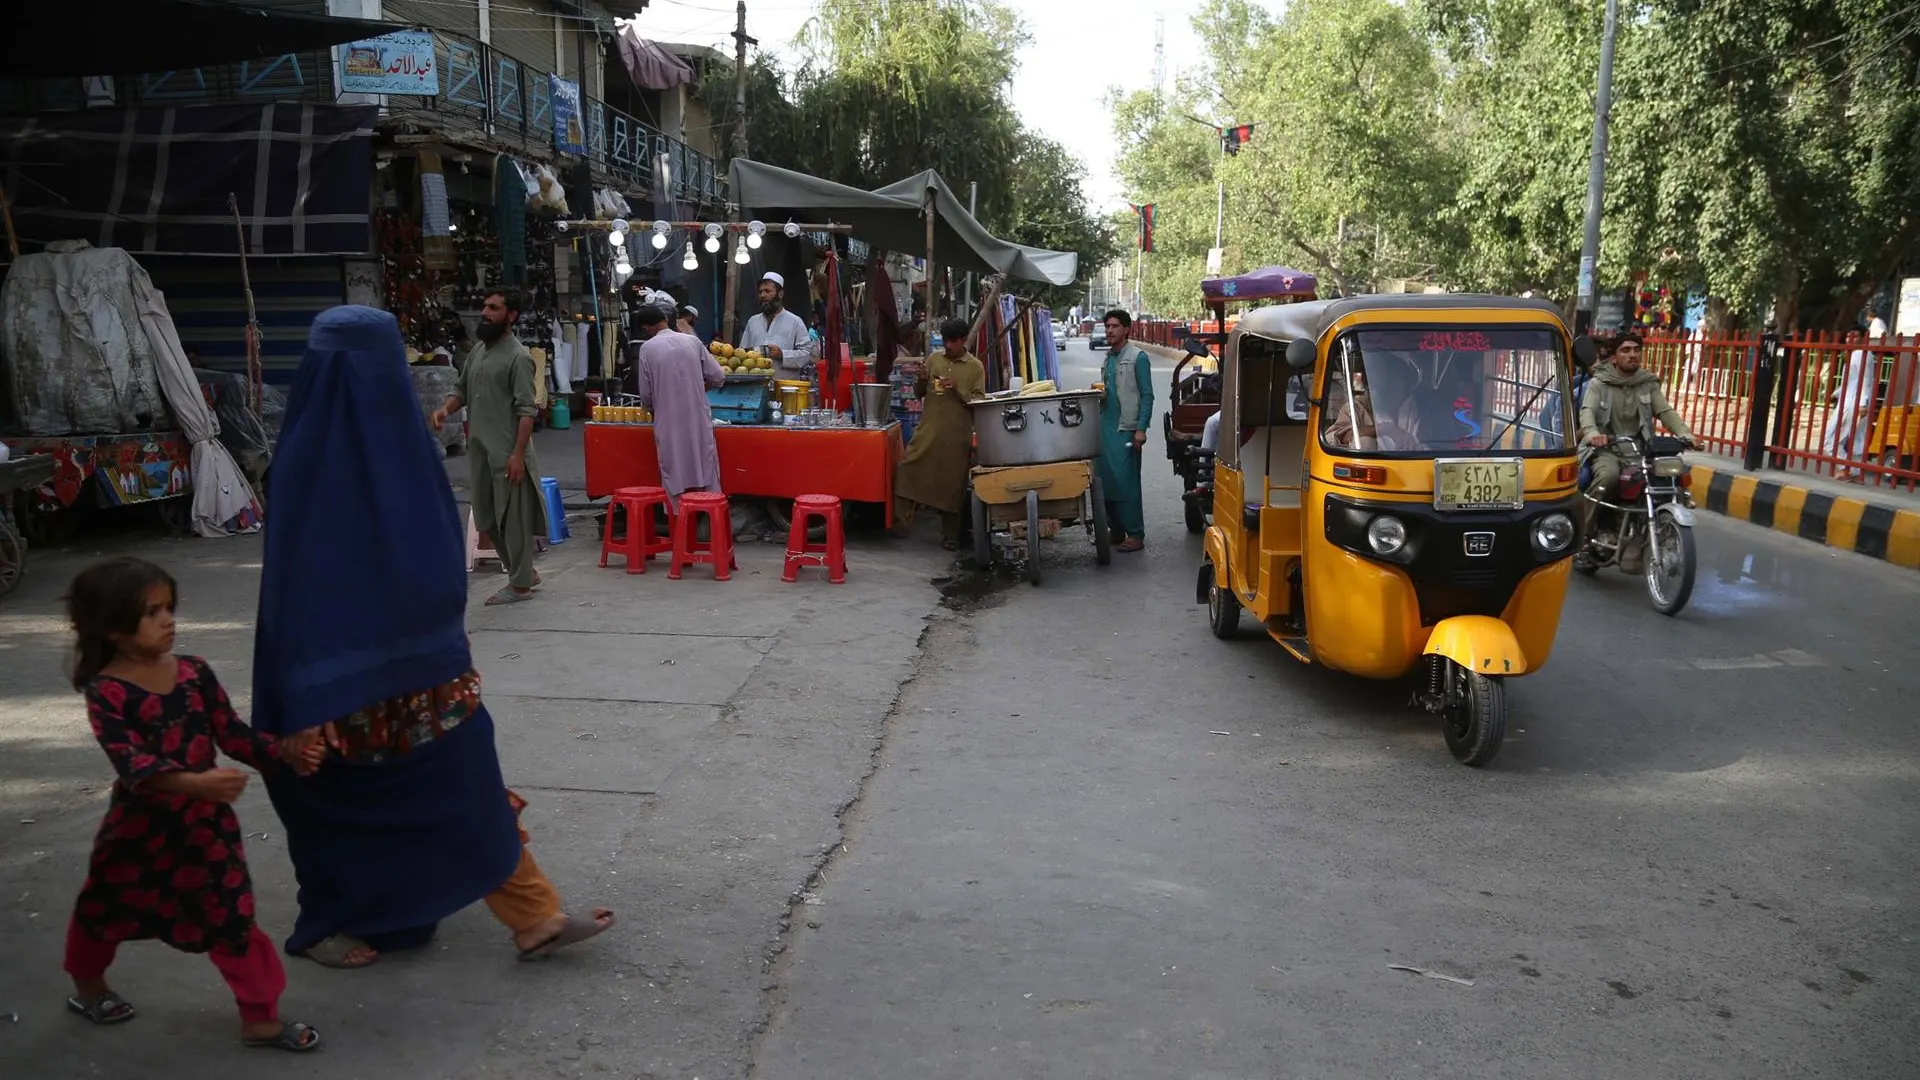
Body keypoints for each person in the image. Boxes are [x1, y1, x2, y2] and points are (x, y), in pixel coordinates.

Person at [256, 305, 614, 973]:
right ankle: (326, 923)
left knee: (467, 775)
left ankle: (532, 917)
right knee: (341, 804)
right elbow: (297, 590)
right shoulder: (309, 460)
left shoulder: (404, 445)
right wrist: (305, 703)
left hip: (424, 668)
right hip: (336, 682)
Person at [60, 556, 324, 1051]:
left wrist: (288, 751)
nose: (169, 620)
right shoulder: (107, 692)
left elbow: (234, 736)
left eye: (169, 608)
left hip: (206, 832)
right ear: (113, 627)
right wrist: (192, 784)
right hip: (137, 833)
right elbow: (130, 762)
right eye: (152, 612)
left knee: (233, 918)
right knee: (104, 910)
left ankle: (260, 1017)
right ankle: (89, 988)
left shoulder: (194, 673)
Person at [430, 289, 543, 606]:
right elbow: (461, 389)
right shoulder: (479, 350)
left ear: (512, 316)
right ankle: (525, 572)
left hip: (509, 453)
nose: (485, 312)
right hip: (480, 450)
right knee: (487, 519)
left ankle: (520, 585)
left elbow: (526, 411)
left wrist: (518, 454)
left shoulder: (518, 357)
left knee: (514, 520)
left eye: (494, 308)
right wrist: (443, 410)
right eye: (484, 306)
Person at [1576, 331, 1699, 560]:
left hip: (1639, 449)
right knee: (1608, 477)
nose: (1632, 355)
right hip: (1607, 449)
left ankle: (1648, 531)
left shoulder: (1647, 383)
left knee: (1670, 478)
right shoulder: (1599, 383)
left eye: (1636, 350)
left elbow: (1665, 411)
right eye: (1625, 350)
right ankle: (1584, 535)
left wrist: (1685, 434)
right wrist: (1593, 434)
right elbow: (1588, 412)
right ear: (1614, 357)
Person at [893, 317, 987, 550]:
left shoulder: (975, 367)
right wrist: (922, 380)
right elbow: (918, 394)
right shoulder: (934, 359)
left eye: (953, 341)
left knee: (951, 486)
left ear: (963, 340)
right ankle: (901, 523)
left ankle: (950, 536)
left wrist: (957, 389)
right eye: (945, 340)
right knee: (907, 471)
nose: (948, 345)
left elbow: (979, 401)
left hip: (956, 437)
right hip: (928, 430)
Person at [634, 304, 726, 499]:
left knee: (674, 471)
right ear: (666, 320)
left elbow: (646, 396)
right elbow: (718, 376)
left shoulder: (647, 349)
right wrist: (699, 389)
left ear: (646, 328)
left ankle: (679, 520)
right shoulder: (693, 342)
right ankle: (708, 518)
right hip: (698, 419)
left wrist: (654, 407)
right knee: (704, 467)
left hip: (667, 422)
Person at [1097, 309, 1155, 552]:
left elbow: (1147, 395)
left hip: (1126, 428)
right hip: (1105, 428)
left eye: (1115, 326)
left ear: (1126, 329)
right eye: (1108, 326)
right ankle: (1116, 529)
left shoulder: (1138, 357)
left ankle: (1135, 534)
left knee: (1126, 482)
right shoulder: (1109, 357)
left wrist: (1141, 428)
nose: (1110, 331)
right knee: (1105, 479)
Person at [1821, 328, 1878, 476]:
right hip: (1851, 398)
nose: (1850, 339)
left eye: (1855, 336)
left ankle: (1848, 468)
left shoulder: (1861, 354)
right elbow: (1851, 379)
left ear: (1863, 338)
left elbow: (1866, 380)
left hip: (1854, 401)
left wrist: (1863, 403)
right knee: (1856, 438)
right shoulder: (1854, 354)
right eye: (1848, 336)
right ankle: (1854, 471)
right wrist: (1836, 393)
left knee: (1830, 438)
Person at [739, 271, 814, 375]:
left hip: (785, 387)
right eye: (760, 292)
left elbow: (807, 355)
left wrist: (783, 355)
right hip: (757, 387)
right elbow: (742, 353)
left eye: (767, 291)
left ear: (780, 294)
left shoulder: (795, 322)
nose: (763, 295)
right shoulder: (753, 322)